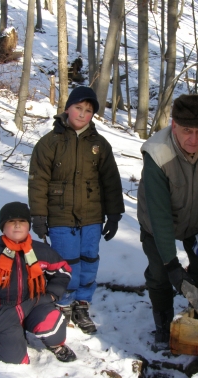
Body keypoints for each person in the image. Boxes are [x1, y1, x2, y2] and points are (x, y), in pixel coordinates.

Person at [137, 94, 198, 351]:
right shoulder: (157, 152)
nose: (193, 139)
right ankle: (163, 322)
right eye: (187, 131)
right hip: (157, 223)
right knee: (160, 275)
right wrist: (171, 263)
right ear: (174, 125)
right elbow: (159, 214)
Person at [28, 86, 125, 334]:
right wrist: (38, 215)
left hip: (92, 216)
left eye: (88, 110)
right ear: (68, 108)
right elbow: (38, 181)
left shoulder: (100, 145)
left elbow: (110, 181)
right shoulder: (49, 143)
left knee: (89, 259)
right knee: (66, 262)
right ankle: (63, 303)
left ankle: (82, 303)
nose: (82, 114)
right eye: (78, 108)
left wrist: (114, 214)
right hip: (60, 216)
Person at [0, 201, 76, 363]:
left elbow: (63, 271)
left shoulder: (41, 251)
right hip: (6, 310)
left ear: (28, 226)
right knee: (12, 362)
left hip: (36, 303)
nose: (17, 226)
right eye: (11, 222)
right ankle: (15, 336)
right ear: (3, 227)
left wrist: (52, 295)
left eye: (22, 221)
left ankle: (56, 345)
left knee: (52, 326)